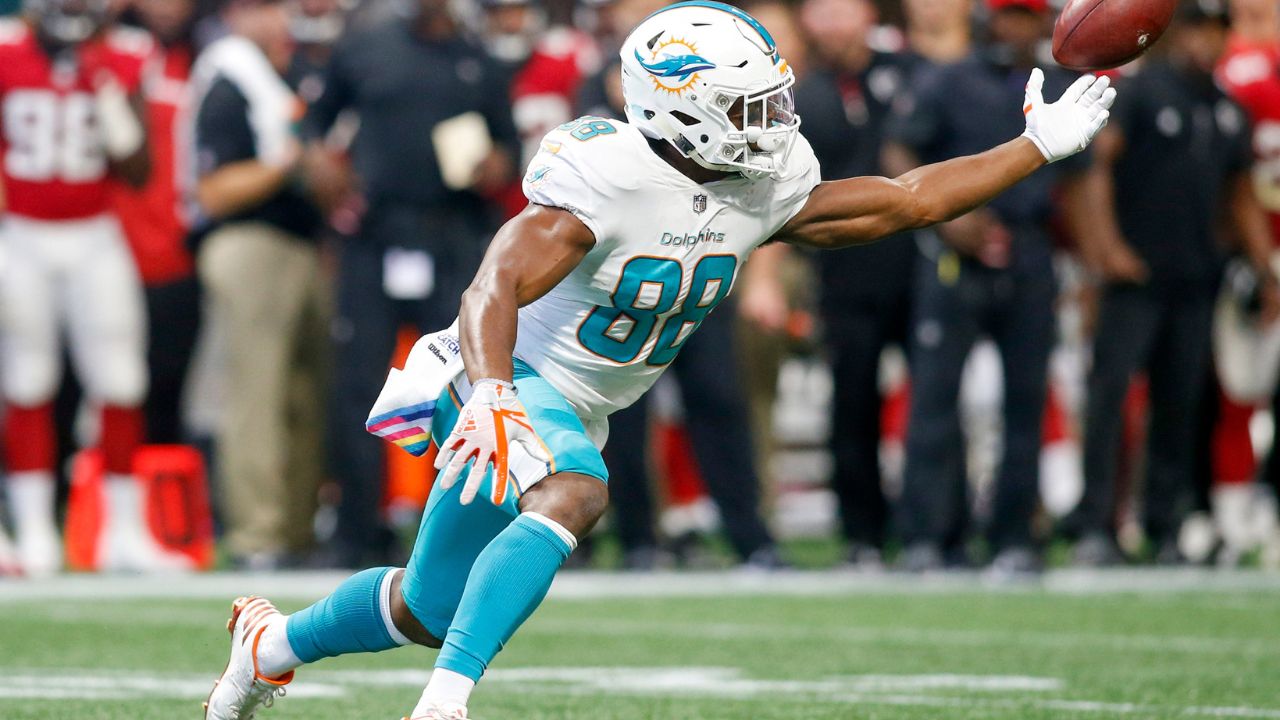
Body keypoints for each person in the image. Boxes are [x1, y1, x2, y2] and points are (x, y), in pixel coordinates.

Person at [202, 3, 1115, 718]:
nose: (775, 120)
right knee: (576, 492)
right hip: (494, 377)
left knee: (425, 608)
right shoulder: (608, 177)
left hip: (569, 401)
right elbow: (494, 286)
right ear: (680, 107)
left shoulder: (761, 184)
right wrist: (487, 396)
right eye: (751, 106)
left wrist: (1034, 147)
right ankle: (446, 704)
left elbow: (907, 199)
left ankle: (269, 647)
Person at [303, 0, 518, 569]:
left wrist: (498, 164)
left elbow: (510, 147)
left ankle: (451, 532)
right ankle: (356, 531)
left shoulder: (479, 57)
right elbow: (313, 122)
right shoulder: (365, 44)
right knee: (359, 385)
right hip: (375, 234)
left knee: (457, 388)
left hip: (452, 236)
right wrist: (319, 160)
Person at [887, 0, 1092, 575]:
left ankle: (1015, 536)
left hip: (1029, 251)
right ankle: (929, 534)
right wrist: (945, 219)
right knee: (933, 401)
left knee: (1026, 402)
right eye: (1008, 17)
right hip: (953, 252)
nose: (1016, 29)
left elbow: (1081, 178)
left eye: (1027, 18)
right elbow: (900, 148)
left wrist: (1090, 259)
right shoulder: (946, 80)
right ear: (985, 21)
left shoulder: (1058, 85)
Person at [1070, 0, 1279, 565]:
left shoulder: (1227, 108)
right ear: (1171, 32)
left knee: (1180, 404)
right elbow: (1097, 167)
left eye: (1215, 32)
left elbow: (1241, 196)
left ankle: (1164, 525)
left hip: (1195, 276)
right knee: (1111, 398)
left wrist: (1266, 271)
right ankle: (1097, 525)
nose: (1203, 43)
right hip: (1136, 274)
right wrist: (1105, 249)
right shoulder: (1141, 92)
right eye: (1194, 29)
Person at [0, 0, 188, 574]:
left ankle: (123, 533)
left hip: (96, 235)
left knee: (122, 379)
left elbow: (138, 170)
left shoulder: (123, 56)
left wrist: (105, 91)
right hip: (23, 234)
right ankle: (34, 530)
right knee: (27, 378)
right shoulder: (6, 48)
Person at [191, 0, 328, 569]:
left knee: (306, 397)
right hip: (248, 244)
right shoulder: (227, 79)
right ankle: (256, 534)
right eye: (262, 7)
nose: (278, 19)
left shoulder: (289, 77)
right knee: (256, 394)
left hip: (305, 247)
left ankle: (295, 531)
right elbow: (214, 191)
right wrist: (289, 164)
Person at [795, 0, 917, 568]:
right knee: (851, 405)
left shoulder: (911, 71)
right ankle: (862, 531)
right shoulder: (793, 94)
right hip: (843, 270)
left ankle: (933, 525)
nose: (835, 24)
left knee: (936, 403)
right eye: (823, 12)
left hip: (921, 266)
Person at [114, 0, 199, 446]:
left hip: (180, 253)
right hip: (110, 250)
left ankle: (157, 501)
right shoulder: (113, 54)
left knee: (167, 390)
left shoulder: (207, 58)